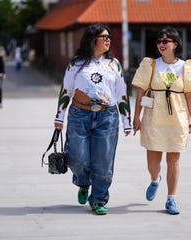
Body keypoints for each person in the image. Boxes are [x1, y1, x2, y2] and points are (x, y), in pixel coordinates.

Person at [53, 23, 132, 215]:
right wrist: (59, 117)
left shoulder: (114, 65)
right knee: (78, 159)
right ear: (92, 39)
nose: (108, 40)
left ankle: (98, 200)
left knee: (104, 162)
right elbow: (66, 90)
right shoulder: (76, 63)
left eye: (109, 37)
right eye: (104, 37)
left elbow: (122, 93)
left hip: (107, 116)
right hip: (80, 115)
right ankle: (82, 183)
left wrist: (126, 121)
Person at [132, 27, 191, 215]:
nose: (161, 44)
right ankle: (155, 179)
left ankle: (171, 199)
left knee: (174, 160)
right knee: (152, 163)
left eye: (166, 41)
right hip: (154, 119)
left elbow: (190, 96)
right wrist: (136, 118)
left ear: (175, 44)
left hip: (177, 120)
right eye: (159, 41)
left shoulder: (186, 66)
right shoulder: (150, 65)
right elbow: (140, 94)